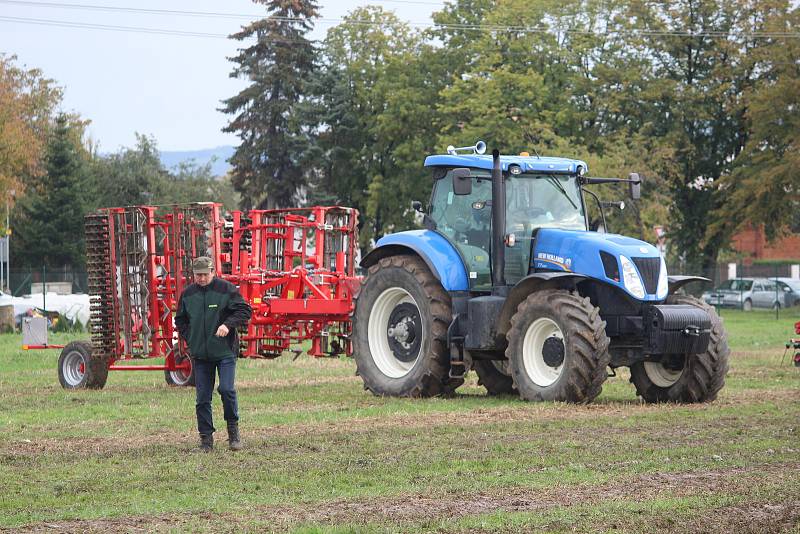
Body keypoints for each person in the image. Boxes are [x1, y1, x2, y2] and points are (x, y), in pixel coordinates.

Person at [175, 256, 252, 452]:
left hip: (225, 351)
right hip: (201, 355)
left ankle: (233, 434)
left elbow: (244, 311)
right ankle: (206, 441)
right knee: (202, 398)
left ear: (212, 272)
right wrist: (190, 338)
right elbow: (180, 320)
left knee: (226, 389)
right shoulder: (187, 294)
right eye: (197, 275)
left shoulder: (226, 289)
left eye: (204, 274)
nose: (201, 278)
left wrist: (227, 325)